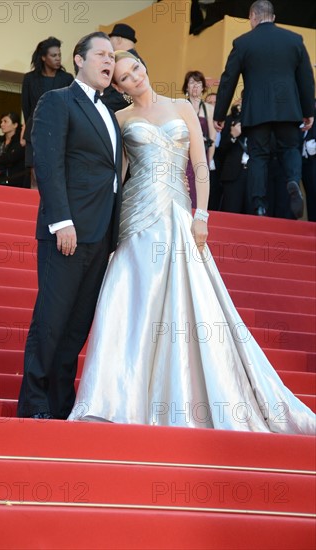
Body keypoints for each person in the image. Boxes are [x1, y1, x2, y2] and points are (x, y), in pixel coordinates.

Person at [68, 50, 315, 434]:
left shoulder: (182, 106)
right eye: (126, 78)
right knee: (135, 303)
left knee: (190, 303)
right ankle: (121, 396)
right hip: (137, 217)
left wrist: (202, 215)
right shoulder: (120, 120)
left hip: (181, 214)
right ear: (118, 87)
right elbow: (116, 180)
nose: (136, 77)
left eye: (136, 67)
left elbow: (199, 164)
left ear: (144, 65)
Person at [17, 32, 123, 420]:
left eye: (113, 56)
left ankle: (61, 405)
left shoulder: (110, 113)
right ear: (78, 60)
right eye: (101, 54)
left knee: (77, 327)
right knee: (51, 320)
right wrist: (62, 221)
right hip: (68, 232)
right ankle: (34, 406)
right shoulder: (58, 100)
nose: (109, 61)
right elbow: (47, 163)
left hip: (101, 236)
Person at [213, 0, 315, 218]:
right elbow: (307, 80)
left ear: (252, 16)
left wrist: (219, 114)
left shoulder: (243, 43)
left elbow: (228, 79)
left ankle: (259, 204)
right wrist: (308, 112)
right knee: (289, 149)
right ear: (273, 17)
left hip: (257, 112)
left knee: (258, 156)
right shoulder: (294, 40)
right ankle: (292, 182)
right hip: (288, 110)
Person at [22, 37, 74, 188]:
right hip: (35, 131)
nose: (58, 59)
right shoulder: (30, 79)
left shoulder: (67, 79)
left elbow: (71, 107)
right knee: (35, 175)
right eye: (53, 55)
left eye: (59, 55)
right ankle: (33, 209)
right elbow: (26, 108)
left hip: (59, 132)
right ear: (43, 57)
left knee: (55, 176)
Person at [181, 70, 220, 209]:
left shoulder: (209, 108)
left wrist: (208, 162)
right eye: (191, 82)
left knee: (198, 195)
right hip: (183, 157)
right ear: (186, 87)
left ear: (203, 87)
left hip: (201, 157)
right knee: (182, 192)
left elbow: (212, 139)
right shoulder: (179, 106)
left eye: (198, 83)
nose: (195, 86)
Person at [101, 23, 146, 113]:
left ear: (118, 39)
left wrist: (101, 104)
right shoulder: (136, 60)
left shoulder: (124, 60)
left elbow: (127, 97)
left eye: (110, 40)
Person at [0, 112, 26, 188]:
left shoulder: (20, 142)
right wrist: (3, 161)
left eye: (5, 121)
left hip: (15, 184)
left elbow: (11, 158)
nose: (1, 124)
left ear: (15, 125)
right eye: (1, 122)